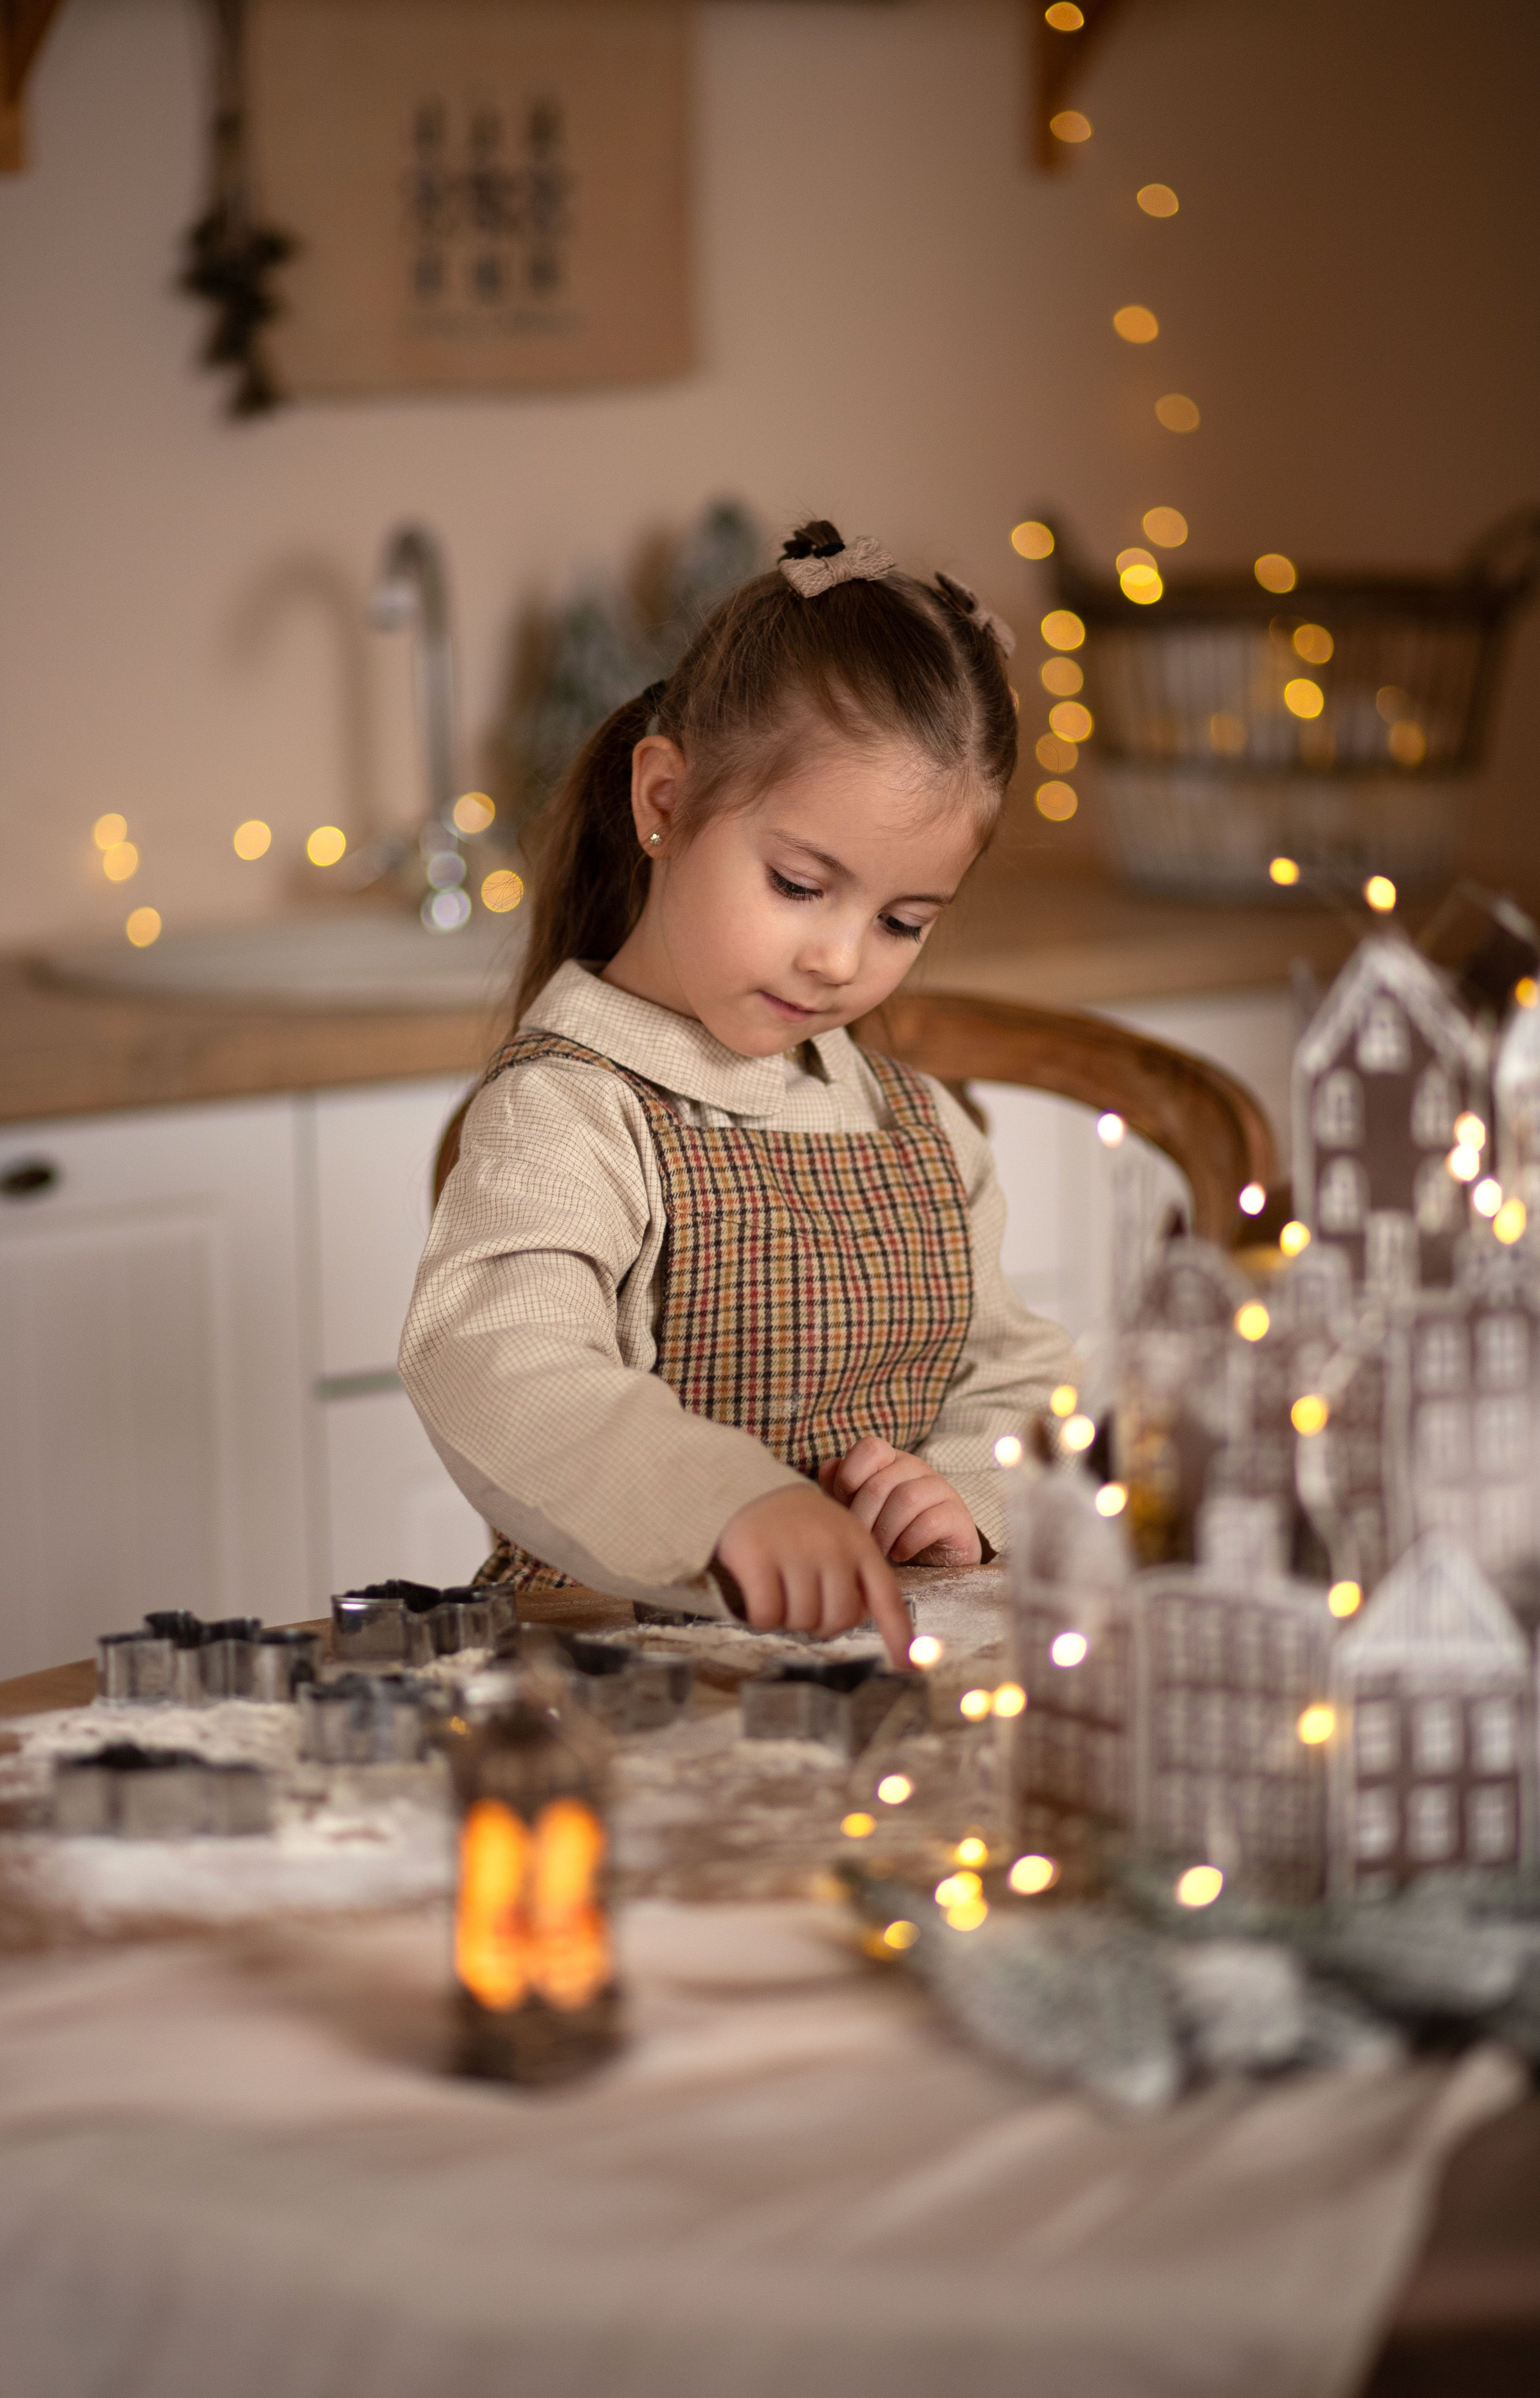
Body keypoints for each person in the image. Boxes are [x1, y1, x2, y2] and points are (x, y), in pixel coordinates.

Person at [401, 521, 1076, 1661]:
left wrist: (967, 1492)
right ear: (664, 799)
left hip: (880, 1689)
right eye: (801, 885)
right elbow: (499, 1364)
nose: (843, 959)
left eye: (903, 922)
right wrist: (722, 1505)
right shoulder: (571, 1113)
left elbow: (1023, 1377)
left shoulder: (921, 1125)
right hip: (619, 1685)